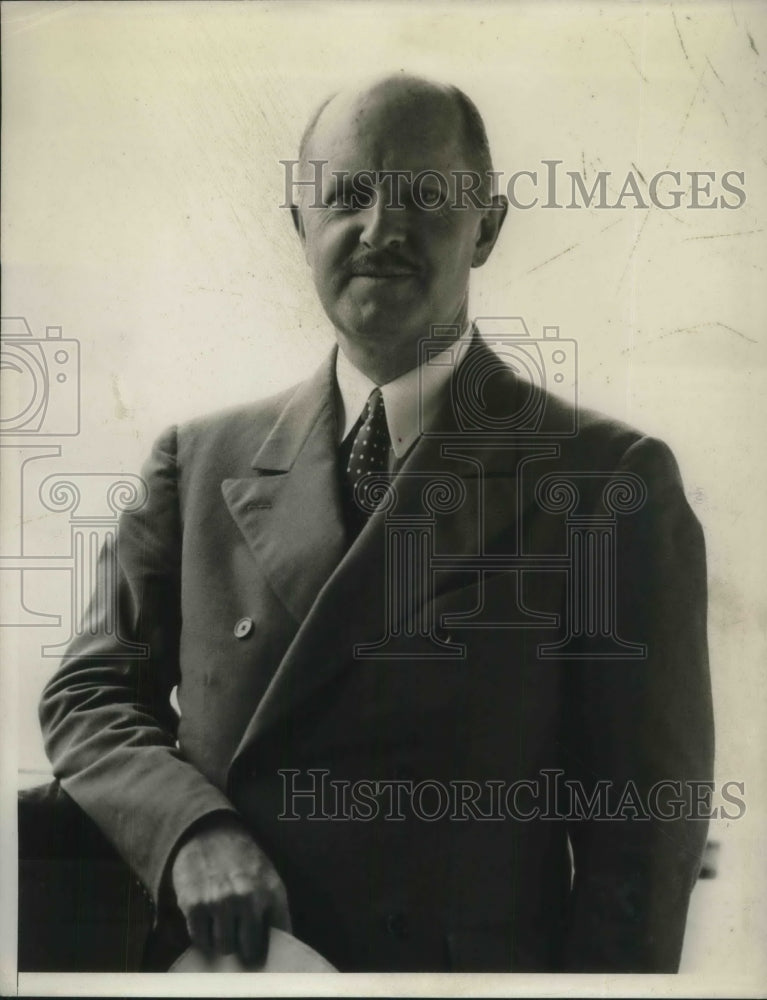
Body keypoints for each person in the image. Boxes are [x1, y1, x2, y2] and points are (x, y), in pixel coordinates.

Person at [39, 73, 714, 973]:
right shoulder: (195, 463)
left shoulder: (603, 481)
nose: (381, 231)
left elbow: (644, 834)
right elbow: (89, 695)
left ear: (488, 226)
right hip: (233, 973)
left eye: (425, 197)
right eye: (347, 196)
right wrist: (190, 832)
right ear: (298, 224)